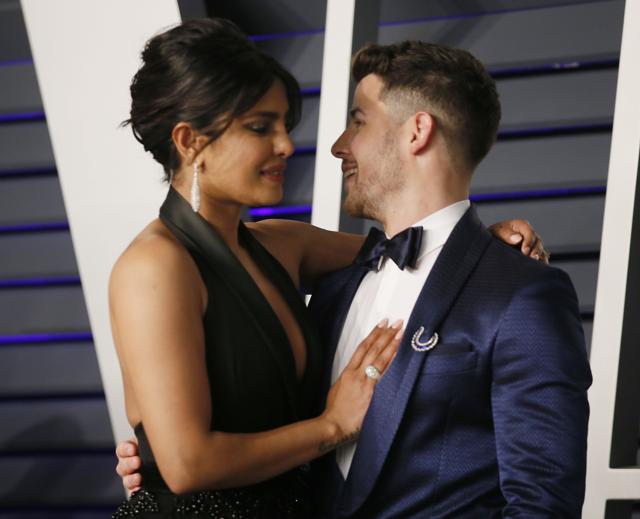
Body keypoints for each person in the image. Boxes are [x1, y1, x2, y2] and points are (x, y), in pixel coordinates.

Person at [113, 20, 551, 519]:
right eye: (261, 127)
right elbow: (187, 465)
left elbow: (421, 251)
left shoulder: (283, 245)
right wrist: (332, 425)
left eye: (284, 125)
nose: (285, 145)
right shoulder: (154, 266)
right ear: (189, 140)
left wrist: (489, 237)